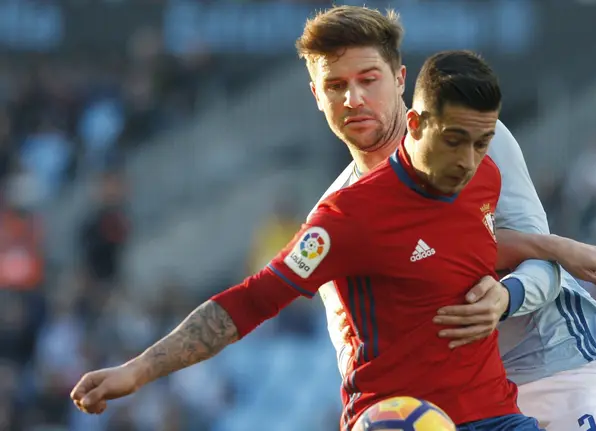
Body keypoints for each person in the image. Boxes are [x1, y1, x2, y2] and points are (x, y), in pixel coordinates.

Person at [70, 50, 541, 431]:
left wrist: (557, 251)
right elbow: (251, 300)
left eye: (481, 143)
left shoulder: (486, 180)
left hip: (496, 415)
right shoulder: (347, 216)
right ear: (415, 126)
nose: (470, 159)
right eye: (455, 140)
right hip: (394, 417)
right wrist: (139, 370)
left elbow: (467, 250)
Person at [296, 5, 596, 430]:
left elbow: (545, 263)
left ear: (398, 80)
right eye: (337, 85)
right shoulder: (332, 216)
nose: (354, 99)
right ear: (318, 95)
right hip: (459, 410)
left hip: (558, 367)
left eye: (368, 80)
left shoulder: (470, 137)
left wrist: (507, 297)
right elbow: (356, 357)